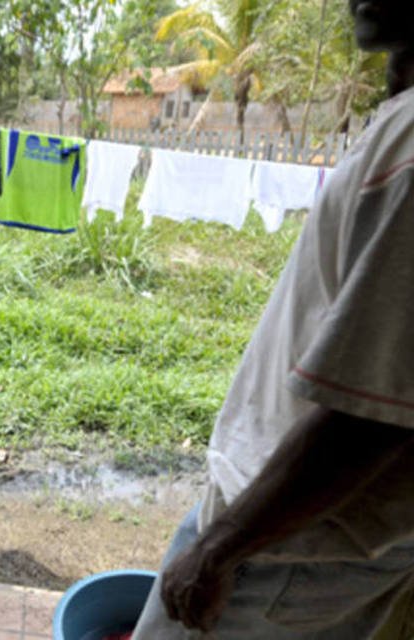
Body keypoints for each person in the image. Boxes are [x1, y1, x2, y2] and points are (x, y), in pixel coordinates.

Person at [133, 1, 414, 637]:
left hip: (287, 541)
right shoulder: (400, 124)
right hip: (303, 531)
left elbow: (372, 418)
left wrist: (221, 545)